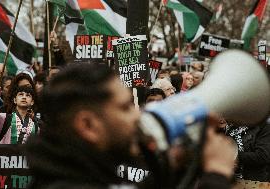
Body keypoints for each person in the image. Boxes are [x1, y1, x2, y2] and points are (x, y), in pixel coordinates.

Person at [26, 64, 235, 189]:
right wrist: (216, 175)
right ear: (87, 125)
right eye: (125, 107)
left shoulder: (76, 174)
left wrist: (172, 167)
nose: (138, 113)